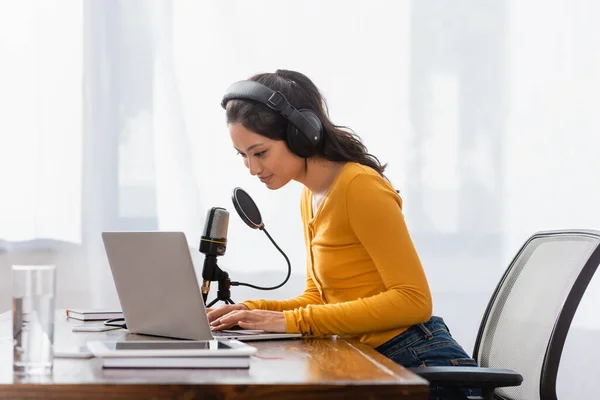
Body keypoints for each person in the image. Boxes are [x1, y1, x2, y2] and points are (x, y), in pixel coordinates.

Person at [207, 69, 480, 400]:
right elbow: (319, 298)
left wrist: (290, 322)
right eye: (243, 156)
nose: (252, 169)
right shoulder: (310, 195)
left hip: (420, 363)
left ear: (300, 134)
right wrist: (250, 311)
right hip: (370, 359)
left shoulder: (359, 187)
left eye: (259, 152)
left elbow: (414, 300)